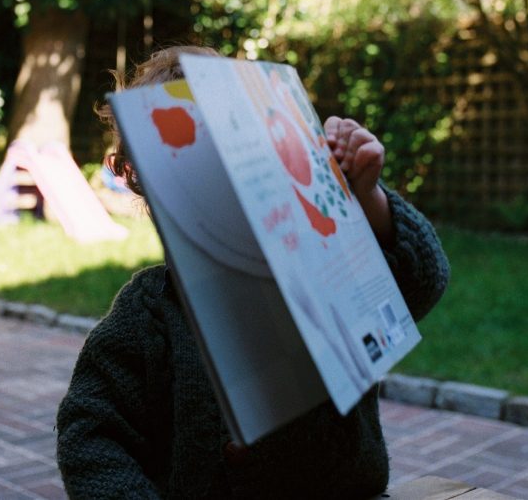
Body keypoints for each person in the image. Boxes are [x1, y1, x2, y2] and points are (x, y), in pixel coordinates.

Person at [56, 45, 450, 499]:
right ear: (149, 186)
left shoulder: (324, 257)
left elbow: (422, 283)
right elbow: (91, 428)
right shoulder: (151, 311)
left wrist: (366, 200)